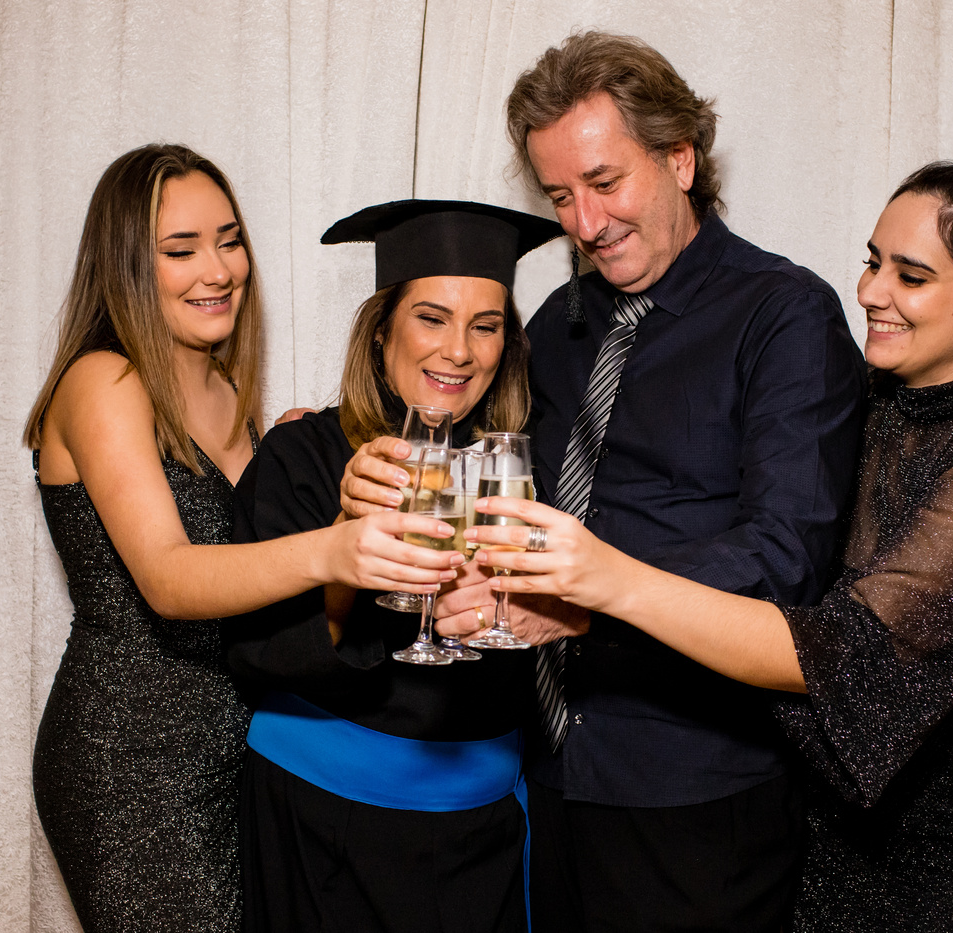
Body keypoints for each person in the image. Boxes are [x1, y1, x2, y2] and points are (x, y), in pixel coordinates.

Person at [466, 126, 953, 932]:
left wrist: (600, 585)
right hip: (839, 830)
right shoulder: (879, 402)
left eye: (911, 276)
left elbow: (840, 654)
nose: (871, 292)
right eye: (873, 261)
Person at [358, 31, 864, 933]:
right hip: (547, 769)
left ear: (680, 159)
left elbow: (785, 562)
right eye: (561, 196)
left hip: (695, 789)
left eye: (604, 182)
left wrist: (586, 599)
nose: (585, 223)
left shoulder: (785, 315)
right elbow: (489, 472)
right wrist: (348, 441)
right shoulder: (559, 321)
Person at [23, 146, 460, 933]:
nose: (218, 269)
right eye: (181, 250)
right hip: (131, 759)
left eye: (229, 241)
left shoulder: (226, 384)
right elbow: (170, 577)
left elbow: (245, 556)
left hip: (237, 749)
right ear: (127, 264)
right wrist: (335, 547)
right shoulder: (104, 380)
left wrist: (290, 457)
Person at [227, 200, 565, 933]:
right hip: (321, 827)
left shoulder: (521, 472)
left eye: (486, 325)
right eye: (431, 318)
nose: (459, 351)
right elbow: (254, 651)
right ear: (381, 329)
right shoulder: (302, 456)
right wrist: (349, 549)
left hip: (484, 830)